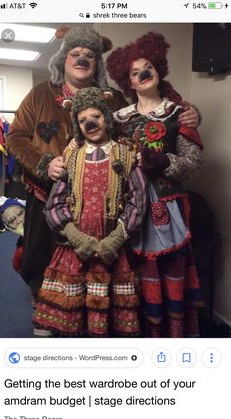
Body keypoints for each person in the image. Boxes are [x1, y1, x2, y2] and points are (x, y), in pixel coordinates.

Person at [5, 25, 199, 303]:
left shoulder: (115, 98)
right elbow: (15, 137)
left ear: (97, 64)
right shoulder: (39, 94)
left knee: (95, 263)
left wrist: (191, 114)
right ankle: (44, 307)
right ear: (63, 60)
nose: (82, 58)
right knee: (42, 258)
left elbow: (148, 111)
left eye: (90, 54)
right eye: (75, 53)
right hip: (46, 192)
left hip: (100, 198)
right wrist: (43, 164)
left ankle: (87, 314)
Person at [106, 31, 204, 337]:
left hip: (168, 207)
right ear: (129, 82)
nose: (143, 74)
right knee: (134, 276)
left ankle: (173, 342)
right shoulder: (117, 118)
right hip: (129, 209)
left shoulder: (179, 114)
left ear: (158, 70)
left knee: (172, 273)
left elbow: (194, 165)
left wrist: (165, 163)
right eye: (135, 72)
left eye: (148, 67)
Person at [33, 87, 147, 337]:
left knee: (109, 317)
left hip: (112, 247)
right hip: (75, 248)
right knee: (71, 313)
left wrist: (116, 239)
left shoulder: (126, 156)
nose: (90, 123)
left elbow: (138, 201)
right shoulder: (71, 158)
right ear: (78, 126)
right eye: (82, 120)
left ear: (107, 117)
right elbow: (54, 204)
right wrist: (75, 236)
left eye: (95, 116)